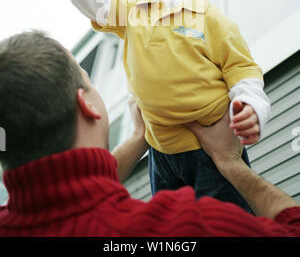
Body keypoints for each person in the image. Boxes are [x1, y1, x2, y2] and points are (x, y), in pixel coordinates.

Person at [57, 0, 271, 211]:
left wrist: (252, 108)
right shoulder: (131, 11)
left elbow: (242, 69)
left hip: (210, 148)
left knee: (229, 226)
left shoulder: (210, 17)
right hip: (161, 154)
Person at [0, 30, 299, 238]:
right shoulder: (183, 228)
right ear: (86, 104)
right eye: (89, 81)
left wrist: (138, 137)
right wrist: (231, 164)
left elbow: (65, 198)